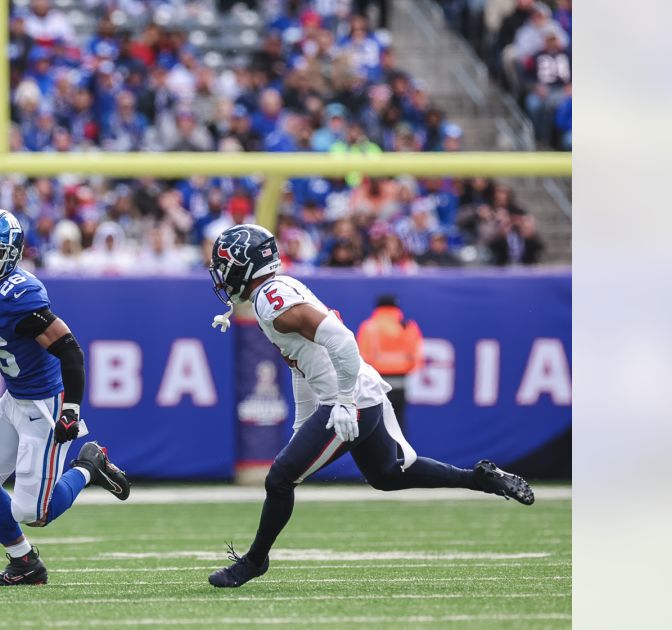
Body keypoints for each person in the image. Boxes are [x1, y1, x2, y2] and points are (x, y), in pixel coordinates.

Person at [204, 224, 534, 588]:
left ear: (244, 264)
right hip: (359, 392)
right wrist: (303, 421)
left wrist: (343, 402)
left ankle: (254, 561)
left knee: (280, 478)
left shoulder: (271, 300)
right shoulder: (277, 290)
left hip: (350, 398)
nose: (221, 274)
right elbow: (300, 363)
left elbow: (343, 341)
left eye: (224, 264)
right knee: (387, 475)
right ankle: (480, 479)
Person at [0, 208, 132, 586]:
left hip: (45, 404)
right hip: (13, 399)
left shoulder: (20, 296)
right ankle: (25, 564)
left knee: (33, 513)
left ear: (12, 253)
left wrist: (71, 410)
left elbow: (70, 350)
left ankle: (90, 464)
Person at [356, 295, 423, 433]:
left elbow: (361, 357)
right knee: (398, 425)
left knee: (377, 427)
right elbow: (416, 357)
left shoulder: (369, 327)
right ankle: (400, 454)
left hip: (375, 384)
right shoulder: (408, 326)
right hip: (400, 383)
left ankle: (380, 455)